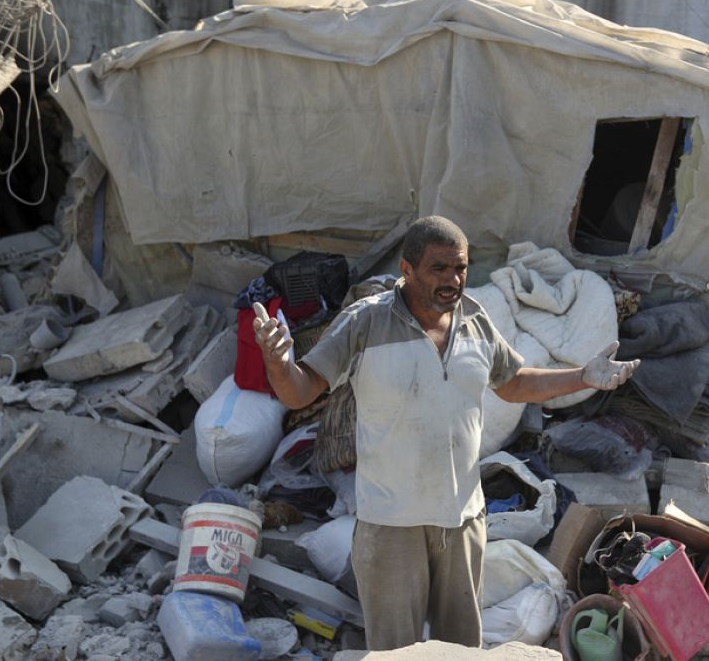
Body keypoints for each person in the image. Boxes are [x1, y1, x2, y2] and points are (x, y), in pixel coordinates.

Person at [253, 216, 638, 651]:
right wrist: (279, 363)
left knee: (459, 649)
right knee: (396, 652)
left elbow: (515, 384)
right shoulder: (365, 323)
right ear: (407, 270)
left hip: (461, 521)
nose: (453, 279)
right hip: (391, 524)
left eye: (461, 268)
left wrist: (584, 376)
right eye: (439, 268)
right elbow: (300, 391)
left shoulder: (475, 320)